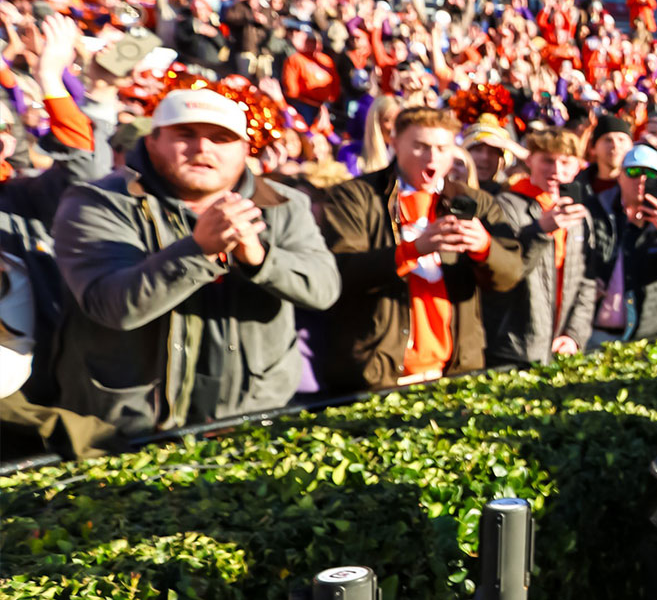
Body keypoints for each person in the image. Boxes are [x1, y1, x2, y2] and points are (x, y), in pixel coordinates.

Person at [52, 89, 340, 435]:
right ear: (154, 140)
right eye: (185, 134)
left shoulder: (283, 203)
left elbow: (324, 289)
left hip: (255, 418)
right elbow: (113, 305)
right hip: (127, 430)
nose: (203, 148)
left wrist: (259, 260)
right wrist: (198, 251)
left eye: (221, 138)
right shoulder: (98, 202)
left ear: (245, 150)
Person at [318, 107, 522, 391]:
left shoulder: (476, 201)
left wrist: (485, 247)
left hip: (457, 371)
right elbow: (340, 271)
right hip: (377, 374)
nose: (432, 157)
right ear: (395, 142)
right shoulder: (354, 196)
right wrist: (413, 250)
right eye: (421, 146)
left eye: (442, 148)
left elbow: (512, 273)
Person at [484, 128, 595, 366]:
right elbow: (501, 274)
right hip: (513, 348)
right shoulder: (506, 205)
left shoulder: (579, 214)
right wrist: (538, 231)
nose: (556, 170)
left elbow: (586, 280)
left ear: (577, 167)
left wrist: (574, 334)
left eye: (565, 162)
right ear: (530, 160)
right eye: (547, 160)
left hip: (561, 348)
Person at [582, 144, 657, 346]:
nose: (641, 179)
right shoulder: (595, 212)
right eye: (633, 171)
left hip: (648, 337)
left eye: (650, 174)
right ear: (620, 176)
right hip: (595, 334)